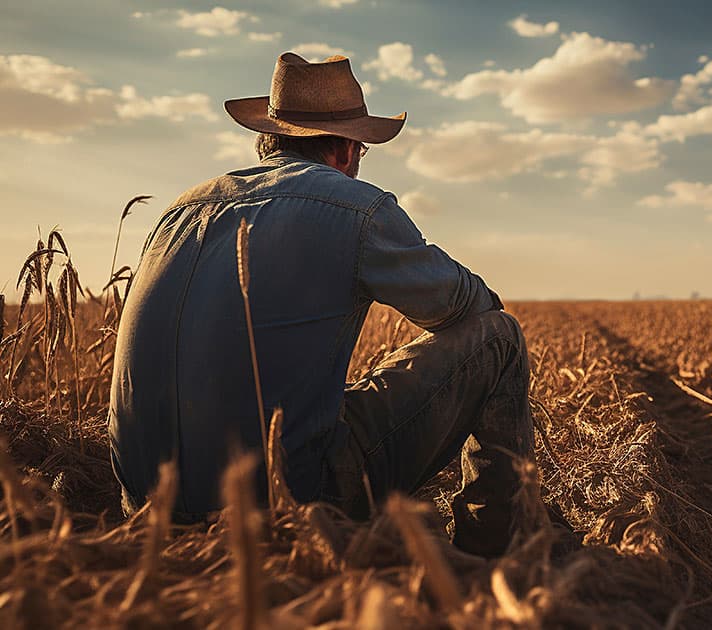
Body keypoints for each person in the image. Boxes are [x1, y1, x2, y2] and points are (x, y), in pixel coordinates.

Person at [108, 52, 541, 557]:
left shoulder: (180, 211)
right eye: (360, 150)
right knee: (501, 338)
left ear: (269, 137)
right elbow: (467, 307)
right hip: (290, 502)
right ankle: (498, 560)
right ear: (344, 149)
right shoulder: (355, 206)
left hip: (143, 509)